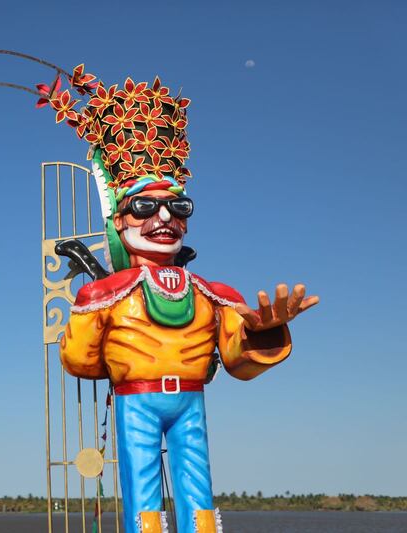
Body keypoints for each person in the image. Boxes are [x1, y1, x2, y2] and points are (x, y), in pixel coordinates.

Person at [41, 71, 319, 533]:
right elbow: (79, 361)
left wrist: (262, 330)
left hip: (190, 401)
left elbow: (236, 358)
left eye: (178, 207)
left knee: (200, 501)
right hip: (137, 400)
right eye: (146, 207)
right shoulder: (106, 294)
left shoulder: (214, 294)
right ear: (121, 220)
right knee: (144, 500)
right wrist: (94, 311)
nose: (164, 217)